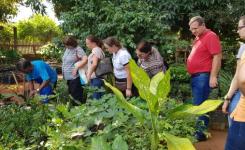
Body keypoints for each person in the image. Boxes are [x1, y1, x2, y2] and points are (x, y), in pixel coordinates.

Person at [187, 16, 222, 141]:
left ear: (203, 25)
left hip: (203, 76)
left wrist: (213, 76)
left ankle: (200, 134)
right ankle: (199, 131)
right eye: (191, 29)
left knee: (201, 105)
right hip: (197, 76)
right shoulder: (198, 38)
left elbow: (217, 56)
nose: (193, 31)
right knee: (198, 105)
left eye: (195, 28)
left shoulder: (211, 36)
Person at [225, 16, 245, 150]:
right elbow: (237, 76)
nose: (237, 31)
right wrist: (228, 97)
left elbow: (242, 79)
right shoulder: (243, 48)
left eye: (240, 27)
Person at [62, 35, 87, 104]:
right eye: (65, 45)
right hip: (68, 77)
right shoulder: (68, 49)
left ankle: (79, 112)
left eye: (67, 45)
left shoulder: (78, 49)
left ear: (72, 43)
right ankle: (74, 112)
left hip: (75, 77)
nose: (66, 46)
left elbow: (85, 59)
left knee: (76, 97)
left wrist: (76, 68)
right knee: (71, 96)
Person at [86, 35, 105, 99]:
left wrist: (88, 75)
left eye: (88, 43)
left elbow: (94, 64)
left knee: (96, 98)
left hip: (96, 78)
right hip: (98, 78)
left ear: (93, 43)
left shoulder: (96, 50)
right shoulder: (98, 50)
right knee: (100, 97)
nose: (87, 45)